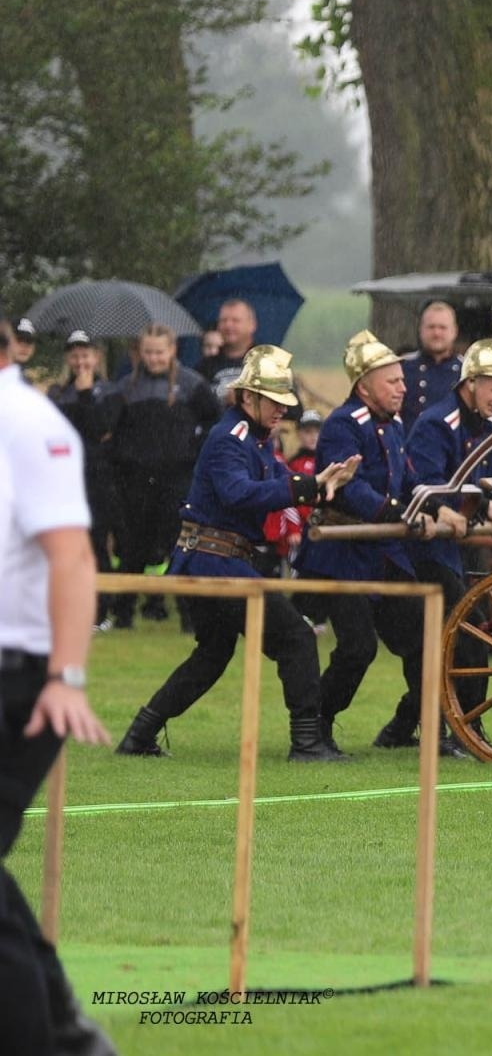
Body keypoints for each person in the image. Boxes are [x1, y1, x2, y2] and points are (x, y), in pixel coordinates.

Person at [114, 348, 358, 762]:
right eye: (274, 401)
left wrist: (322, 484)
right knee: (297, 638)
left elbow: (284, 484)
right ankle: (307, 743)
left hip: (215, 562)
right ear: (248, 399)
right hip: (216, 564)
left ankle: (140, 735)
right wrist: (308, 485)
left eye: (285, 402)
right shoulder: (231, 438)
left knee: (211, 655)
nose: (283, 409)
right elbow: (238, 493)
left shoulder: (257, 441)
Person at [0, 320, 119, 1054]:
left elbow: (73, 558)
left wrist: (66, 678)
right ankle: (64, 1031)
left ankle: (47, 1034)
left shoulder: (27, 422)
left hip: (22, 676)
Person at [294, 331, 466, 754]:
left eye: (403, 381)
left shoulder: (393, 426)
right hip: (341, 556)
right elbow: (348, 489)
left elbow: (407, 480)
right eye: (393, 382)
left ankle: (419, 731)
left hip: (381, 554)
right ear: (364, 385)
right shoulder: (341, 425)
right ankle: (313, 730)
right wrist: (398, 514)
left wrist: (434, 507)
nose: (403, 389)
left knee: (422, 640)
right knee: (357, 648)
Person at [375, 339, 492, 753]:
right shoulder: (438, 423)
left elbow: (484, 483)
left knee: (471, 633)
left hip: (460, 547)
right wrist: (448, 512)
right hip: (426, 551)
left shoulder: (489, 428)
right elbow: (423, 485)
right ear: (470, 384)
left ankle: (434, 727)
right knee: (462, 633)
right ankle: (463, 729)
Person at [106, 324, 221, 628]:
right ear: (139, 353)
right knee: (132, 548)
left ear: (172, 351)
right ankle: (123, 613)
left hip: (177, 478)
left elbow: (215, 420)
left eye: (159, 352)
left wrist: (194, 448)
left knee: (180, 546)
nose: (154, 358)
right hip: (135, 480)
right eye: (148, 352)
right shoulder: (127, 388)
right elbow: (113, 429)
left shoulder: (192, 384)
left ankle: (188, 615)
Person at [48, 331, 125, 627]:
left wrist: (84, 394)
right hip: (64, 479)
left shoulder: (111, 392)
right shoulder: (57, 393)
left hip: (97, 480)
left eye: (86, 355)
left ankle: (100, 611)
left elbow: (100, 429)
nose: (81, 361)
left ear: (97, 357)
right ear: (68, 358)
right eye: (75, 355)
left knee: (95, 545)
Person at [399, 301, 462, 430]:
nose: (436, 333)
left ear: (454, 331)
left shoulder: (466, 371)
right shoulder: (402, 367)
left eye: (442, 327)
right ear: (420, 330)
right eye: (431, 327)